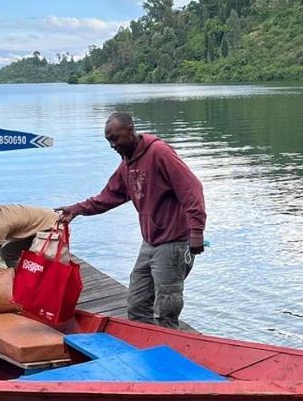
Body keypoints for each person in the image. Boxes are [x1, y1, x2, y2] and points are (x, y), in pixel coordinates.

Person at [57, 112, 206, 329]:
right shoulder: (127, 164)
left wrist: (196, 231)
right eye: (108, 140)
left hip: (173, 243)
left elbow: (192, 188)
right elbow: (108, 196)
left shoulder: (159, 153)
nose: (112, 145)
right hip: (150, 242)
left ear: (130, 130)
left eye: (115, 138)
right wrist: (77, 209)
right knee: (137, 305)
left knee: (166, 310)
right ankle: (147, 349)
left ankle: (168, 355)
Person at [0, 202, 60, 275]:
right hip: (40, 226)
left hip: (52, 227)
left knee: (22, 257)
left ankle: (29, 278)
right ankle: (22, 275)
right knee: (8, 252)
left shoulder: (0, 225)